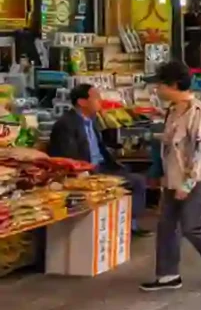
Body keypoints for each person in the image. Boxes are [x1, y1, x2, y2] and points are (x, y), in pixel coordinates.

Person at [140, 62, 201, 291]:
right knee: (166, 225)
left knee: (193, 226)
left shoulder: (197, 112)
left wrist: (188, 183)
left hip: (193, 180)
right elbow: (173, 144)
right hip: (172, 178)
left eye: (160, 85)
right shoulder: (173, 110)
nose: (157, 90)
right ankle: (167, 275)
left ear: (174, 85)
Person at [48, 84, 151, 237]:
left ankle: (128, 223)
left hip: (102, 166)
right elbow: (67, 156)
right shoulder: (66, 124)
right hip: (87, 171)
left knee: (137, 178)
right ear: (82, 102)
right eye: (96, 97)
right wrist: (85, 173)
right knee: (136, 181)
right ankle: (128, 226)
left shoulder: (92, 120)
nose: (100, 100)